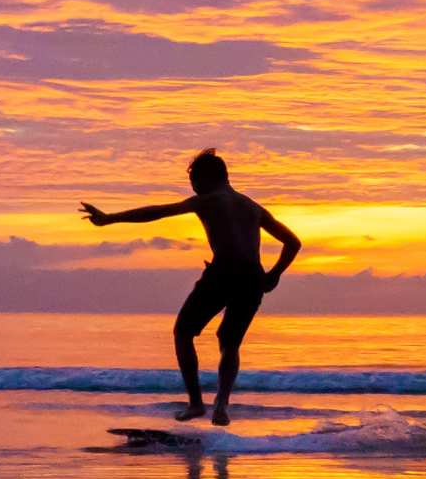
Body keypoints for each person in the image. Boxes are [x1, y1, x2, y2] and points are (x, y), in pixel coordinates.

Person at [79, 149, 300, 426]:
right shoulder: (252, 207)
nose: (193, 187)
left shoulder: (209, 200)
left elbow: (157, 213)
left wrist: (110, 218)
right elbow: (293, 242)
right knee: (229, 343)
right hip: (252, 279)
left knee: (183, 332)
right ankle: (221, 406)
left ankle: (196, 403)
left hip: (223, 273)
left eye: (194, 180)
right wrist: (273, 275)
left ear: (207, 178)